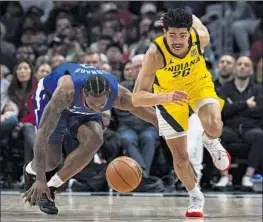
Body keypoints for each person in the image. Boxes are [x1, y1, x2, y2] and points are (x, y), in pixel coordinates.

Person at [132, 8, 231, 217]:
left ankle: (211, 140)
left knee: (214, 125)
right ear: (164, 32)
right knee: (180, 156)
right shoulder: (154, 54)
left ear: (189, 32)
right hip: (168, 96)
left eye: (182, 35)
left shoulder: (200, 37)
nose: (177, 40)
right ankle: (196, 197)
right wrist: (166, 97)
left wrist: (191, 17)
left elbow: (197, 24)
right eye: (172, 35)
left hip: (198, 85)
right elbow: (137, 97)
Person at [22, 62, 158, 214]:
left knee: (96, 138)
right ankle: (30, 170)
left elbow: (152, 115)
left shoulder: (119, 96)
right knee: (50, 162)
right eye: (93, 103)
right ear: (84, 94)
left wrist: (169, 132)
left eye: (102, 105)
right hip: (51, 98)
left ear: (108, 94)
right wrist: (40, 179)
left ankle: (51, 188)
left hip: (79, 105)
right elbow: (42, 135)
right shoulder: (65, 91)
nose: (97, 108)